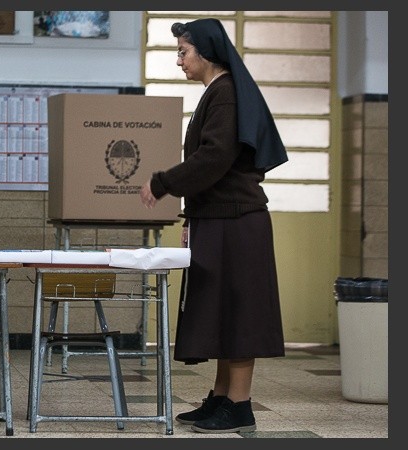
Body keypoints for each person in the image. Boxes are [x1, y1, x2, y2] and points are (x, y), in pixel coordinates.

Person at [139, 18, 288, 434]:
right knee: (223, 313)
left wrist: (163, 182)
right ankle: (222, 396)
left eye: (183, 52)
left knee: (239, 315)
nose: (178, 61)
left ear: (205, 52)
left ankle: (239, 405)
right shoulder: (219, 92)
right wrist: (193, 216)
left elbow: (215, 159)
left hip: (238, 223)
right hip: (221, 219)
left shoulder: (224, 94)